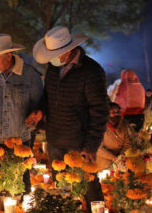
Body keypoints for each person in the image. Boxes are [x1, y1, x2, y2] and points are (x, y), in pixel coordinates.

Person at [25, 26, 109, 210]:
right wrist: (40, 110)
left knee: (89, 187)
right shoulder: (53, 68)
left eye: (56, 54)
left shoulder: (92, 71)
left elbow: (100, 110)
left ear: (69, 50)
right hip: (55, 138)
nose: (52, 58)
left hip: (80, 142)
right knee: (61, 189)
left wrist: (91, 145)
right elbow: (47, 97)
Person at [0, 34, 43, 189]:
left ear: (8, 55)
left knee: (20, 186)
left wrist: (33, 120)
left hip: (19, 142)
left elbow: (39, 104)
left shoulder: (30, 75)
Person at [96, 102, 131, 171]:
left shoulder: (124, 124)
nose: (116, 114)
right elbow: (98, 148)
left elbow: (127, 143)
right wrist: (114, 158)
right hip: (104, 162)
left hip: (121, 162)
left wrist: (121, 157)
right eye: (113, 112)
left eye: (118, 112)